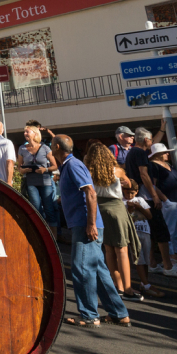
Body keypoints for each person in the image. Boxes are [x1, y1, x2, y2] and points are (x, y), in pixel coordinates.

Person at [54, 134, 130, 328]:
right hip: (84, 223)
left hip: (85, 224)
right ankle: (119, 313)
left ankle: (89, 316)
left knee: (82, 269)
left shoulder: (73, 165)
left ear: (56, 147)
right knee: (98, 270)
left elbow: (91, 192)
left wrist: (91, 224)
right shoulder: (68, 166)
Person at [86, 144, 140, 302]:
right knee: (122, 250)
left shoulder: (90, 172)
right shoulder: (118, 171)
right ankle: (128, 289)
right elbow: (129, 184)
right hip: (115, 208)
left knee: (108, 249)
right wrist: (123, 183)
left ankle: (119, 287)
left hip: (99, 209)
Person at [126, 128, 177, 277]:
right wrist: (155, 196)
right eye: (150, 140)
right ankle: (168, 267)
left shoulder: (134, 152)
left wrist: (162, 129)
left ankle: (152, 263)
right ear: (146, 140)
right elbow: (144, 175)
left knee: (149, 232)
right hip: (146, 198)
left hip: (140, 198)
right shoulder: (139, 153)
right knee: (162, 232)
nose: (152, 143)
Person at [147, 143, 177, 272]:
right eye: (165, 152)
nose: (167, 154)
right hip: (170, 201)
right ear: (158, 155)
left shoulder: (169, 165)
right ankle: (170, 257)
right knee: (169, 231)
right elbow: (153, 185)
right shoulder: (153, 166)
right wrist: (165, 199)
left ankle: (175, 255)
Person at [123, 180, 165, 298]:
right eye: (127, 193)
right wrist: (130, 209)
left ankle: (144, 283)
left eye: (132, 193)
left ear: (136, 192)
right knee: (139, 258)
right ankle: (147, 284)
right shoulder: (122, 201)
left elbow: (149, 215)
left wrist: (138, 207)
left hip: (145, 230)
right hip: (133, 232)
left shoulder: (140, 200)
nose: (130, 196)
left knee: (146, 259)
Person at [18, 125, 59, 227]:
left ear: (35, 134)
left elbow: (55, 166)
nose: (25, 134)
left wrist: (45, 169)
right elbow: (19, 167)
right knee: (36, 208)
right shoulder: (22, 149)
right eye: (24, 132)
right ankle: (42, 232)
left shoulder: (45, 148)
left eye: (27, 132)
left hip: (45, 182)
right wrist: (23, 170)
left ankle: (54, 236)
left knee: (49, 208)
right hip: (31, 182)